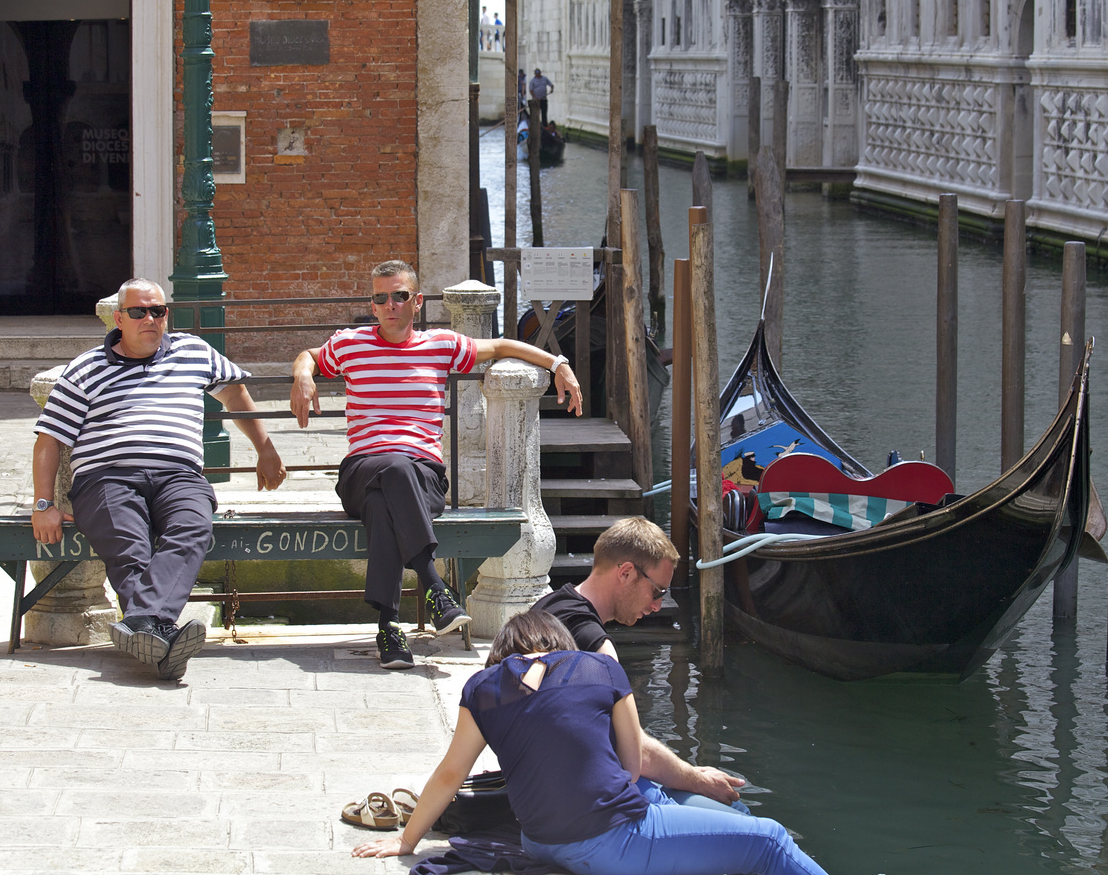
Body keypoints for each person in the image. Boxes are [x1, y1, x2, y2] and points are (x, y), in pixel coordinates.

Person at [352, 610, 827, 875]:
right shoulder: (602, 667)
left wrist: (407, 840)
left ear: (502, 656)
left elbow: (451, 774)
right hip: (609, 843)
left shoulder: (483, 686)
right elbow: (633, 762)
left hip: (537, 841)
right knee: (769, 840)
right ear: (561, 643)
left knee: (649, 798)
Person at [291, 260, 584, 669]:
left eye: (398, 296)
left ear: (417, 301)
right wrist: (304, 375)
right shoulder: (350, 344)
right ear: (372, 305)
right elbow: (309, 355)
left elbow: (501, 346)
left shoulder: (441, 345)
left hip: (422, 478)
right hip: (361, 469)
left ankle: (389, 627)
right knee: (390, 470)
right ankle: (433, 587)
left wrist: (559, 365)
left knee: (387, 497)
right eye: (380, 298)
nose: (389, 304)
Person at [32, 278, 287, 680]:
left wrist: (265, 448)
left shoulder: (194, 352)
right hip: (106, 478)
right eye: (139, 312)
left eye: (158, 311)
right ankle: (162, 639)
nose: (150, 319)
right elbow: (49, 440)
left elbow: (234, 394)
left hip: (179, 475)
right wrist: (43, 505)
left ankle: (146, 630)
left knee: (193, 527)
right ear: (119, 318)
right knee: (129, 547)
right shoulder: (85, 368)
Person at [536, 517, 745, 809]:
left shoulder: (547, 607)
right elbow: (635, 754)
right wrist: (697, 779)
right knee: (735, 810)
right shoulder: (599, 651)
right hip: (581, 798)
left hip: (544, 782)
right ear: (625, 573)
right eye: (657, 592)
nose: (658, 605)